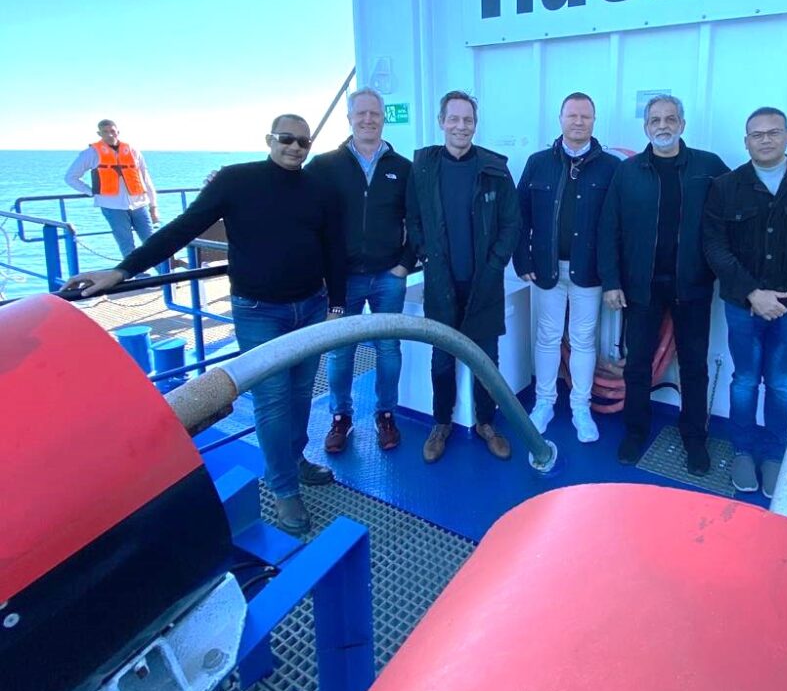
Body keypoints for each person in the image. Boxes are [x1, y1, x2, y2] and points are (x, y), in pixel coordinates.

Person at [61, 114, 345, 536]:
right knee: (272, 400)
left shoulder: (318, 189)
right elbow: (181, 230)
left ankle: (295, 459)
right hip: (259, 311)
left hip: (310, 307)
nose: (295, 148)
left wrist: (336, 305)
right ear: (269, 139)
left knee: (302, 392)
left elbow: (332, 247)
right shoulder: (235, 181)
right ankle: (284, 489)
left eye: (303, 142)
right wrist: (123, 271)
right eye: (287, 139)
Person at [703, 107, 787, 497]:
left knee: (781, 383)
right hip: (741, 304)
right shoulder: (725, 187)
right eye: (757, 134)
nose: (765, 139)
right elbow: (715, 245)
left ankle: (776, 456)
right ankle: (743, 451)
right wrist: (752, 293)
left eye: (772, 132)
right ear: (746, 141)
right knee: (744, 380)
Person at [598, 95, 728, 474]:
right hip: (641, 287)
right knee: (637, 364)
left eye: (671, 118)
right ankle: (636, 432)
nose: (663, 125)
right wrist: (611, 281)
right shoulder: (629, 172)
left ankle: (694, 439)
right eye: (655, 119)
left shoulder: (708, 167)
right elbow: (610, 228)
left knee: (693, 365)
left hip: (694, 286)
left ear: (682, 124)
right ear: (646, 127)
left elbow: (735, 214)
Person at [406, 91, 521, 463]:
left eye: (467, 120)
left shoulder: (494, 169)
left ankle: (487, 423)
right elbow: (414, 219)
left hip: (484, 284)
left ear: (475, 124)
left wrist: (495, 265)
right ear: (441, 121)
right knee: (442, 359)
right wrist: (425, 254)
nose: (460, 126)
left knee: (487, 360)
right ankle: (441, 423)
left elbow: (511, 223)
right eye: (453, 119)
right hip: (441, 282)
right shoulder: (423, 168)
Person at [306, 87, 415, 454]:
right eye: (361, 114)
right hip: (342, 280)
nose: (368, 120)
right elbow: (293, 200)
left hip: (389, 276)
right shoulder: (324, 166)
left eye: (375, 114)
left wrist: (405, 263)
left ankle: (386, 415)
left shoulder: (402, 169)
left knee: (388, 349)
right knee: (340, 352)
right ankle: (341, 418)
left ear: (383, 118)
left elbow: (418, 220)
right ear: (349, 118)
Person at [514, 92, 620, 442]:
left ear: (594, 120)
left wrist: (612, 276)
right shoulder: (538, 162)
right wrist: (523, 258)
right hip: (546, 270)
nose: (578, 121)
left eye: (585, 116)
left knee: (583, 340)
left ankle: (580, 407)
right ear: (560, 119)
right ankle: (544, 403)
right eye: (572, 115)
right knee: (546, 337)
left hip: (589, 273)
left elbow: (616, 225)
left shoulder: (611, 167)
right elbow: (519, 215)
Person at [65, 119, 159, 259]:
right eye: (105, 132)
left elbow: (146, 179)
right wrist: (91, 191)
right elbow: (71, 177)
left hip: (139, 204)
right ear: (99, 133)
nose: (110, 135)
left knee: (153, 243)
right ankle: (137, 277)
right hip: (112, 206)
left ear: (118, 132)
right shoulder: (91, 153)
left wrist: (153, 206)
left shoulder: (133, 151)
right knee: (126, 244)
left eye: (112, 131)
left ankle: (165, 275)